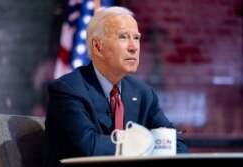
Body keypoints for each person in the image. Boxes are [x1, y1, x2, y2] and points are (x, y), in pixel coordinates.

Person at [43, 6, 188, 167]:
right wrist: (145, 144)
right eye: (123, 37)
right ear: (98, 46)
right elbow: (90, 147)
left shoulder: (143, 93)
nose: (134, 47)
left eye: (136, 38)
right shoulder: (69, 89)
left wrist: (144, 144)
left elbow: (176, 144)